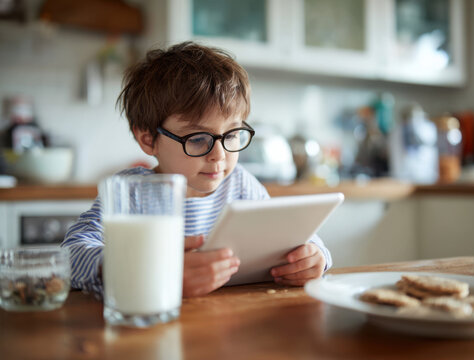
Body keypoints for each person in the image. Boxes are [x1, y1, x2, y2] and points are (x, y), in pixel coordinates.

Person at [61, 41, 332, 298]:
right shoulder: (131, 193)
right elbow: (71, 255)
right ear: (148, 140)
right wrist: (144, 270)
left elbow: (293, 238)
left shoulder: (241, 185)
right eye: (198, 139)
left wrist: (314, 257)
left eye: (232, 135)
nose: (219, 155)